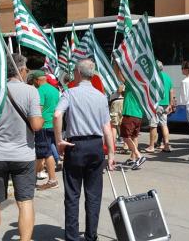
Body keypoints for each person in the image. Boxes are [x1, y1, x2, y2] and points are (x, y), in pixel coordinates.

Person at [0, 54, 44, 241]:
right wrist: (41, 118)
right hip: (23, 154)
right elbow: (36, 125)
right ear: (22, 70)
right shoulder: (30, 91)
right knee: (25, 201)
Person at [54, 59, 115, 241]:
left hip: (76, 146)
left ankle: (72, 237)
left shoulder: (69, 93)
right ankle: (91, 236)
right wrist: (111, 153)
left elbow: (57, 114)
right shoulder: (101, 96)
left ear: (78, 73)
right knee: (93, 195)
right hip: (96, 146)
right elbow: (106, 127)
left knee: (72, 194)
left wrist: (59, 140)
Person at [31, 70, 60, 190]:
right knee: (41, 153)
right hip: (54, 124)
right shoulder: (54, 89)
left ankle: (52, 180)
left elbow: (39, 108)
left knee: (46, 153)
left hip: (43, 125)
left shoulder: (40, 90)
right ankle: (31, 178)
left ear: (37, 80)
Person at [115, 63, 147, 170]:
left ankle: (138, 156)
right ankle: (133, 158)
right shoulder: (142, 85)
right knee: (134, 136)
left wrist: (116, 61)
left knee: (125, 137)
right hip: (138, 114)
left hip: (130, 113)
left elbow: (118, 73)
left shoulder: (131, 83)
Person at [145, 61, 174, 153]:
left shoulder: (153, 77)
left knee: (153, 125)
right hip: (165, 105)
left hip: (156, 105)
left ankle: (151, 146)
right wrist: (170, 104)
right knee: (164, 125)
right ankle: (166, 146)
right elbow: (171, 91)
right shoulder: (168, 77)